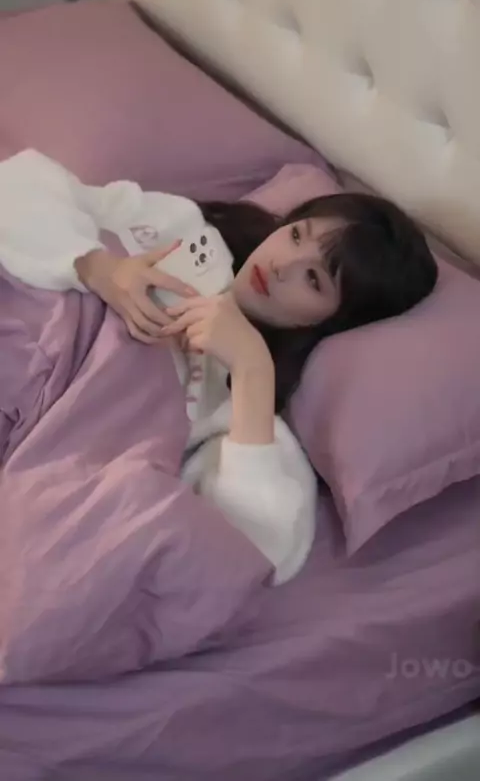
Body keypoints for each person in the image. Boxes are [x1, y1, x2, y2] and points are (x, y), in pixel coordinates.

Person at [0, 150, 438, 584]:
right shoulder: (181, 227)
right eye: (296, 235)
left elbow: (258, 545)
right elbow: (17, 182)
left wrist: (251, 368)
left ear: (333, 321)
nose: (281, 265)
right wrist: (95, 266)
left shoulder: (240, 401)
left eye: (313, 279)